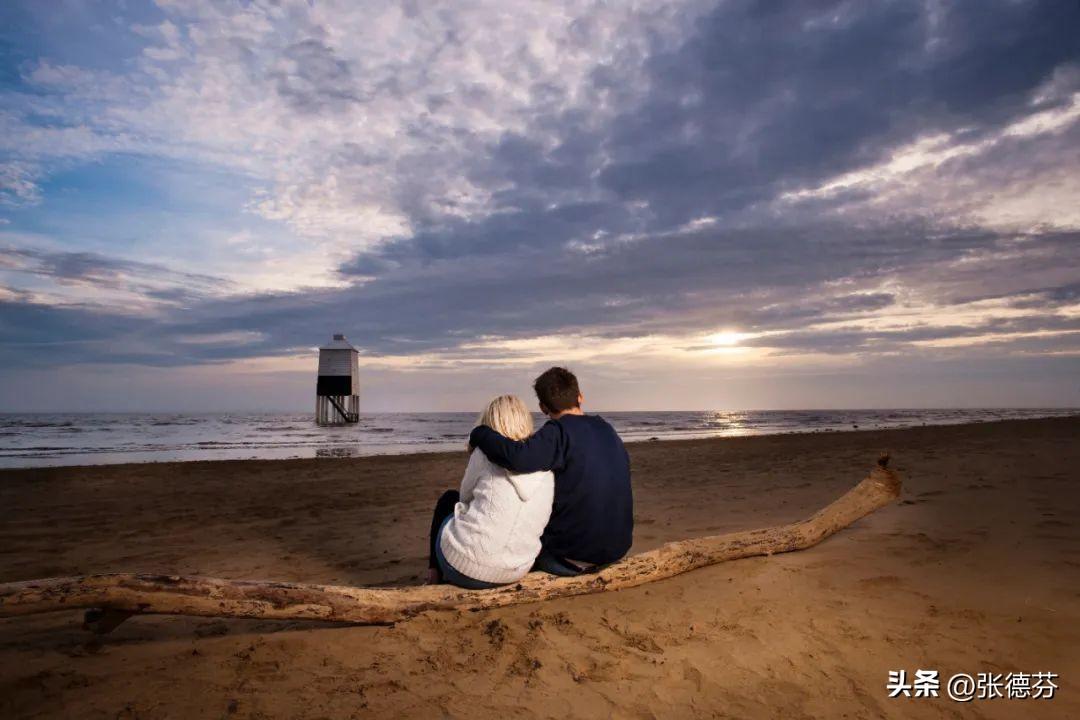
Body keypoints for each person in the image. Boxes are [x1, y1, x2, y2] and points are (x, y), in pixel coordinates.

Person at [469, 367, 632, 576]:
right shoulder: (606, 429)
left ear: (543, 407)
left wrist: (481, 433)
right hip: (616, 548)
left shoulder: (558, 432)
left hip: (574, 555)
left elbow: (517, 457)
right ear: (580, 397)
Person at [427, 395, 555, 588]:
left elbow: (464, 498)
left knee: (449, 500)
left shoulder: (484, 454)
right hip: (518, 570)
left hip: (465, 569)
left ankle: (433, 576)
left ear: (490, 422)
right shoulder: (545, 464)